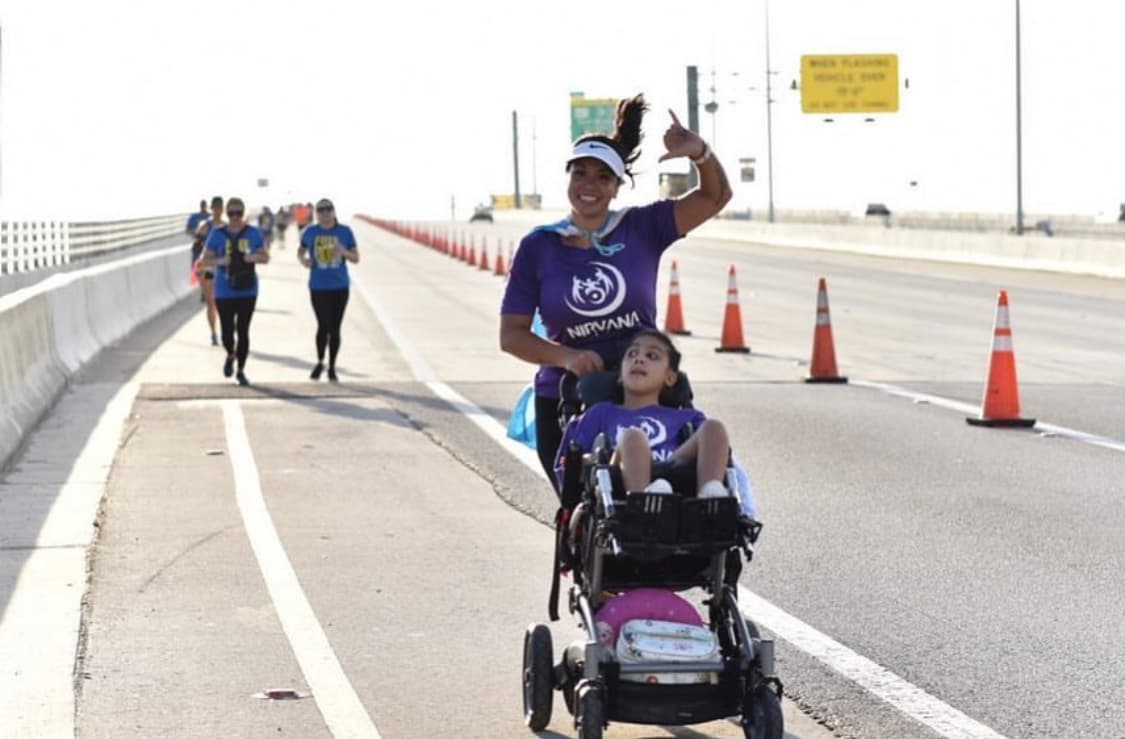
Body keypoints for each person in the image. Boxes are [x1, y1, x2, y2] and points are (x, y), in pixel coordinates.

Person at [499, 93, 733, 480]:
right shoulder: (539, 246)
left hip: (645, 392)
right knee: (583, 513)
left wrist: (700, 154)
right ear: (568, 179)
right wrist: (567, 358)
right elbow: (512, 336)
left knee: (669, 495)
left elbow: (715, 196)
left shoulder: (641, 227)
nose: (589, 185)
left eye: (603, 176)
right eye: (580, 173)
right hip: (566, 395)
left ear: (617, 187)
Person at [554, 329, 732, 500]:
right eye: (632, 354)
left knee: (714, 427)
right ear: (620, 376)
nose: (639, 359)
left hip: (674, 467)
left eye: (652, 356)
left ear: (670, 378)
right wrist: (587, 461)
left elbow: (718, 451)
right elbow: (566, 463)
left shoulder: (687, 417)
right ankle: (644, 503)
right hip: (620, 479)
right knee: (633, 437)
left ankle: (710, 496)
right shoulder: (600, 413)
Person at [201, 197, 270, 385]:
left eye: (239, 213)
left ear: (243, 213)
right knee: (227, 332)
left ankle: (241, 371)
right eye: (231, 213)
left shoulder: (253, 233)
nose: (235, 217)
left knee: (243, 330)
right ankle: (231, 354)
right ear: (226, 214)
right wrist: (220, 262)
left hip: (248, 289)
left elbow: (265, 257)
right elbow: (205, 260)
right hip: (224, 290)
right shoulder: (217, 234)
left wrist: (251, 257)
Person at [297, 198, 359, 381]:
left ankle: (332, 366)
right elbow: (300, 251)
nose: (325, 213)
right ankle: (320, 361)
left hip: (340, 286)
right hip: (318, 286)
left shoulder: (345, 232)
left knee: (335, 327)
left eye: (328, 209)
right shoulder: (310, 232)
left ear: (334, 211)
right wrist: (304, 261)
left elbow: (356, 258)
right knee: (323, 325)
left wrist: (344, 251)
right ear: (317, 213)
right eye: (321, 210)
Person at [193, 196, 225, 345]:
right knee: (211, 302)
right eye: (216, 207)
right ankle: (213, 332)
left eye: (220, 207)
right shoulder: (205, 226)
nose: (218, 210)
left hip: (223, 268)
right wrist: (197, 268)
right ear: (212, 208)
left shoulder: (226, 227)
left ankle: (225, 330)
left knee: (222, 302)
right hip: (206, 267)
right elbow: (196, 248)